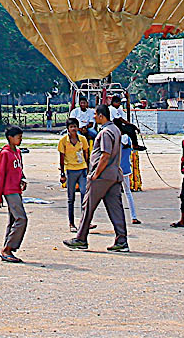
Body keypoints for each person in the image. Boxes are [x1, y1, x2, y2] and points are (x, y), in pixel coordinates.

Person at [65, 105, 129, 252]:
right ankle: (121, 240)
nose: (93, 117)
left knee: (88, 206)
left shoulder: (105, 132)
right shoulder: (116, 130)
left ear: (101, 116)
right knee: (116, 208)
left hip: (103, 175)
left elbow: (105, 155)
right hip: (114, 175)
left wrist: (95, 174)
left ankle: (81, 238)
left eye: (95, 114)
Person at [0, 126, 28, 262]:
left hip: (17, 189)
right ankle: (8, 248)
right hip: (9, 191)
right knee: (21, 219)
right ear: (10, 138)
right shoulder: (5, 153)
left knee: (13, 220)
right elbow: (0, 175)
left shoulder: (18, 152)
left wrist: (22, 179)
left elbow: (19, 169)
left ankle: (6, 247)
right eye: (18, 137)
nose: (20, 139)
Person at [57, 119, 90, 228]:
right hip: (70, 170)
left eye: (75, 126)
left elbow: (86, 153)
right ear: (68, 129)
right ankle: (71, 223)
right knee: (71, 198)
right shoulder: (63, 141)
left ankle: (85, 222)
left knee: (84, 194)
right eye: (71, 127)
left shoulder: (82, 139)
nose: (73, 129)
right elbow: (61, 158)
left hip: (82, 169)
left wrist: (88, 168)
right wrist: (62, 173)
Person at [115, 112, 144, 225]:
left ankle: (127, 217)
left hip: (118, 169)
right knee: (127, 193)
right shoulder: (126, 139)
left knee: (119, 194)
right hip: (125, 169)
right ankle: (133, 216)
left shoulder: (121, 138)